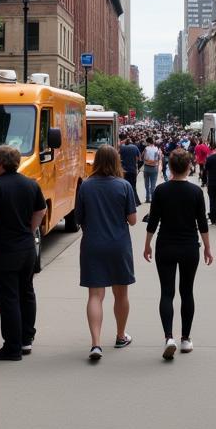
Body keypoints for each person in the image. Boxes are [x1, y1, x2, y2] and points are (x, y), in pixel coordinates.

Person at [143, 148, 213, 360]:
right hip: (189, 246)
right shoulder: (196, 192)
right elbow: (202, 223)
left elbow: (153, 221)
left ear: (170, 167)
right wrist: (207, 247)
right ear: (189, 166)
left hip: (165, 245)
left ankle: (168, 337)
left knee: (167, 292)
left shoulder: (161, 191)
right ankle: (185, 338)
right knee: (187, 291)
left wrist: (147, 245)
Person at [0, 145, 46, 362]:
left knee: (8, 298)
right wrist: (29, 228)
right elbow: (41, 210)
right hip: (27, 249)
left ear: (0, 163)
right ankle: (27, 338)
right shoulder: (30, 184)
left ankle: (12, 346)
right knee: (27, 292)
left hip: (4, 250)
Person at [75, 144, 137, 362]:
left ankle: (96, 343)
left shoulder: (86, 186)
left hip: (92, 243)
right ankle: (120, 336)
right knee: (121, 294)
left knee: (95, 295)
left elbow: (78, 218)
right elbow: (132, 219)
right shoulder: (124, 185)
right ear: (116, 161)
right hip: (118, 244)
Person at [118, 132, 142, 206]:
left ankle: (126, 202)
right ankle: (136, 202)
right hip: (133, 169)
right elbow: (139, 158)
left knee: (124, 187)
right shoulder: (135, 147)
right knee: (133, 186)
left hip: (124, 170)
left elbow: (118, 157)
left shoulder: (121, 148)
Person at [141, 136, 162, 202]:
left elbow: (142, 157)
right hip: (154, 168)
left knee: (146, 184)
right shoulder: (157, 149)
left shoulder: (146, 148)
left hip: (147, 167)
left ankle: (147, 198)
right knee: (153, 184)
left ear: (148, 142)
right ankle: (153, 198)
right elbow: (159, 158)